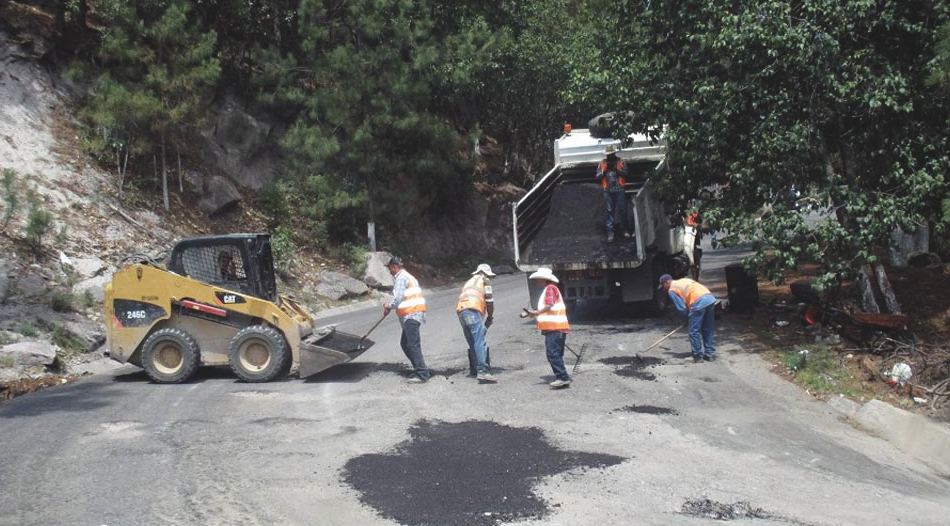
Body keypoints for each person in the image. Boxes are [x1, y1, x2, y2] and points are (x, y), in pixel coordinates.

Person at [383, 256, 432, 383]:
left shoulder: (401, 278)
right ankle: (420, 368)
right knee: (405, 344)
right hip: (414, 313)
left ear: (394, 267)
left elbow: (398, 298)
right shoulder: (408, 277)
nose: (390, 271)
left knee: (412, 345)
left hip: (411, 314)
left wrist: (389, 305)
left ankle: (422, 373)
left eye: (390, 268)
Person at [525, 268, 571, 388]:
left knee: (552, 353)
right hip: (556, 327)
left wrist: (536, 312)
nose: (536, 282)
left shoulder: (550, 289)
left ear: (544, 279)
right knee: (556, 353)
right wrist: (535, 313)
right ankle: (563, 376)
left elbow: (549, 305)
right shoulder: (550, 289)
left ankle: (562, 377)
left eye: (538, 279)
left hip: (555, 328)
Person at [658, 274, 716, 362]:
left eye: (663, 286)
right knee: (707, 329)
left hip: (698, 302)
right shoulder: (684, 280)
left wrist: (685, 320)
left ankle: (697, 356)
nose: (664, 289)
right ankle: (710, 355)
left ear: (667, 282)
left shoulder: (672, 290)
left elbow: (681, 308)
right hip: (709, 299)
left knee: (694, 331)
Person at [456, 263, 496, 383]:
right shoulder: (485, 281)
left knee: (473, 342)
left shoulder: (469, 282)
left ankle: (475, 370)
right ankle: (483, 371)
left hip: (461, 312)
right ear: (485, 274)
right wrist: (490, 316)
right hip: (473, 310)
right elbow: (489, 301)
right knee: (480, 341)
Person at [596, 144, 629, 243]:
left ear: (614, 154)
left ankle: (625, 230)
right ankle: (610, 232)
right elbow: (597, 176)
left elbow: (627, 173)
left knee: (623, 210)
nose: (609, 157)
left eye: (611, 154)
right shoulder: (602, 163)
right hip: (608, 190)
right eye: (608, 155)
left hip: (619, 189)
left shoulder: (621, 161)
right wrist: (604, 172)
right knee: (610, 211)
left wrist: (617, 171)